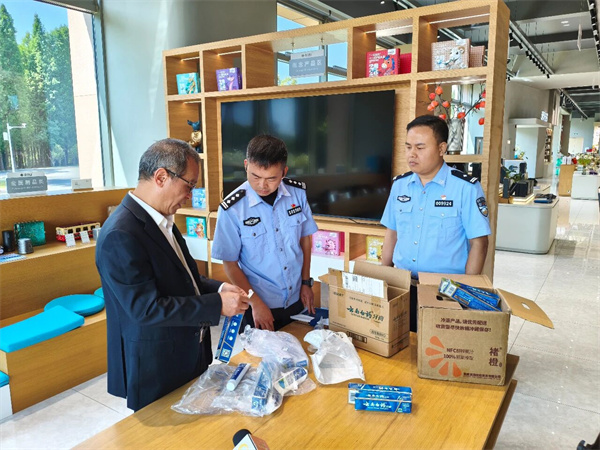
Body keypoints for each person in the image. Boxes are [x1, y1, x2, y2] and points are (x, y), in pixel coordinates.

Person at [95, 138, 249, 411]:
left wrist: (219, 289)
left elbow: (183, 279)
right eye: (189, 185)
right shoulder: (121, 233)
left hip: (187, 353)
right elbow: (145, 309)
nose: (190, 195)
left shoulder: (161, 220)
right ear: (161, 177)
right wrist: (217, 305)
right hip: (155, 366)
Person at [380, 115, 491, 332]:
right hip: (402, 286)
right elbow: (392, 233)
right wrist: (383, 278)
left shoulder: (466, 188)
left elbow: (479, 243)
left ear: (441, 148)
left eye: (420, 147)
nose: (412, 154)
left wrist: (465, 294)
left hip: (445, 291)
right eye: (408, 147)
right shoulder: (400, 185)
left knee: (438, 347)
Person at [211, 134, 319, 331]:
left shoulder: (297, 194)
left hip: (295, 297)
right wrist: (255, 302)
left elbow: (305, 239)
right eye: (255, 177)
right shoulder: (232, 209)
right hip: (259, 305)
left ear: (284, 172)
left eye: (271, 178)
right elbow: (230, 264)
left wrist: (306, 282)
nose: (262, 185)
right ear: (246, 165)